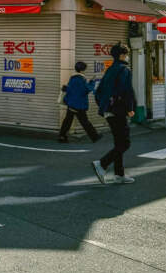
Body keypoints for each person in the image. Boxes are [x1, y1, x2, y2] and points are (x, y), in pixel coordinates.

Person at [91, 44, 136, 185]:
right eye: (127, 54)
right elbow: (127, 90)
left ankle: (119, 174)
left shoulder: (110, 69)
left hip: (108, 111)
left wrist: (104, 106)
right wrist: (130, 108)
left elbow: (98, 92)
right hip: (119, 111)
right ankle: (102, 164)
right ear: (123, 55)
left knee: (119, 143)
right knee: (125, 143)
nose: (128, 56)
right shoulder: (124, 70)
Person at [58, 62, 103, 143]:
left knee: (67, 121)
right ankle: (95, 137)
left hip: (71, 103)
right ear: (82, 70)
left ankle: (62, 136)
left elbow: (71, 89)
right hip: (79, 105)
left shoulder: (72, 78)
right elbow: (86, 90)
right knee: (85, 122)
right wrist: (92, 82)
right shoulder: (81, 79)